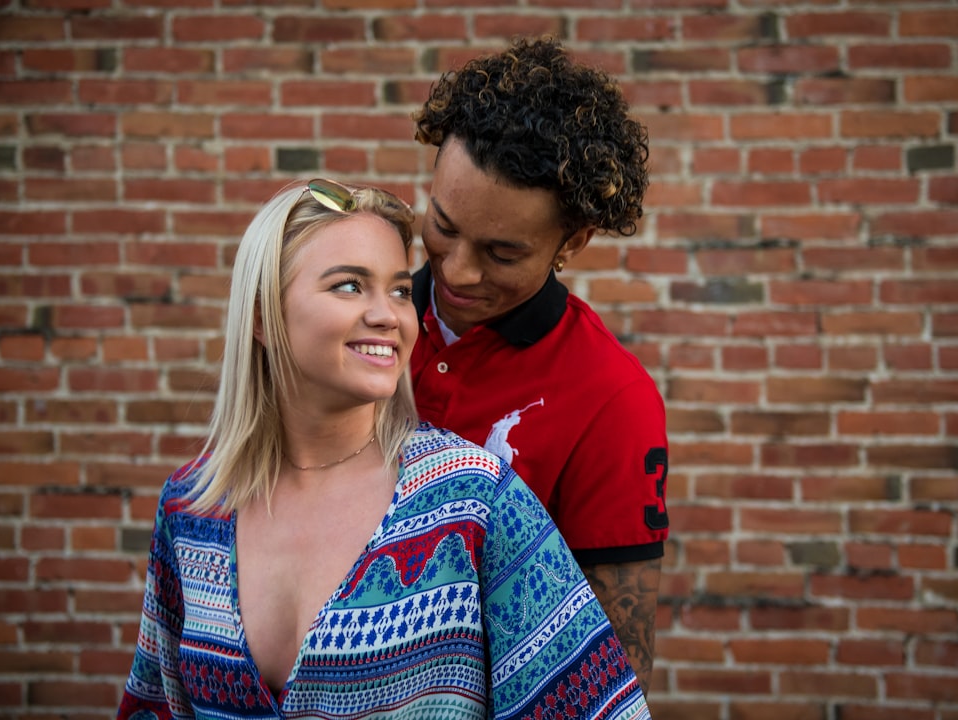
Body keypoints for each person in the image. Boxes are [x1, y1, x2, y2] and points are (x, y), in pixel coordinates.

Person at [117, 178, 650, 718]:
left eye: (399, 289)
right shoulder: (191, 506)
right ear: (261, 315)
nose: (389, 315)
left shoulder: (475, 503)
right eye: (349, 286)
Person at [410, 36, 668, 694]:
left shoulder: (613, 399)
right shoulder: (351, 327)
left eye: (501, 253)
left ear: (573, 241)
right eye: (442, 224)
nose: (457, 271)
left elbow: (613, 667)